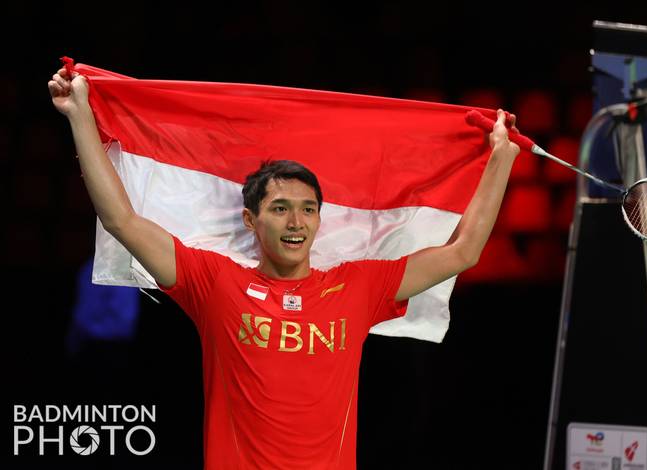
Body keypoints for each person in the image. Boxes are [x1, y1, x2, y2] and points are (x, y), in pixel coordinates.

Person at [48, 65, 520, 470]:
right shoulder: (215, 282)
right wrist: (80, 116)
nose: (296, 222)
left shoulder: (360, 286)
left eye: (308, 209)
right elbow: (121, 219)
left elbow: (462, 252)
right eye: (279, 209)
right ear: (251, 220)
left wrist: (501, 157)